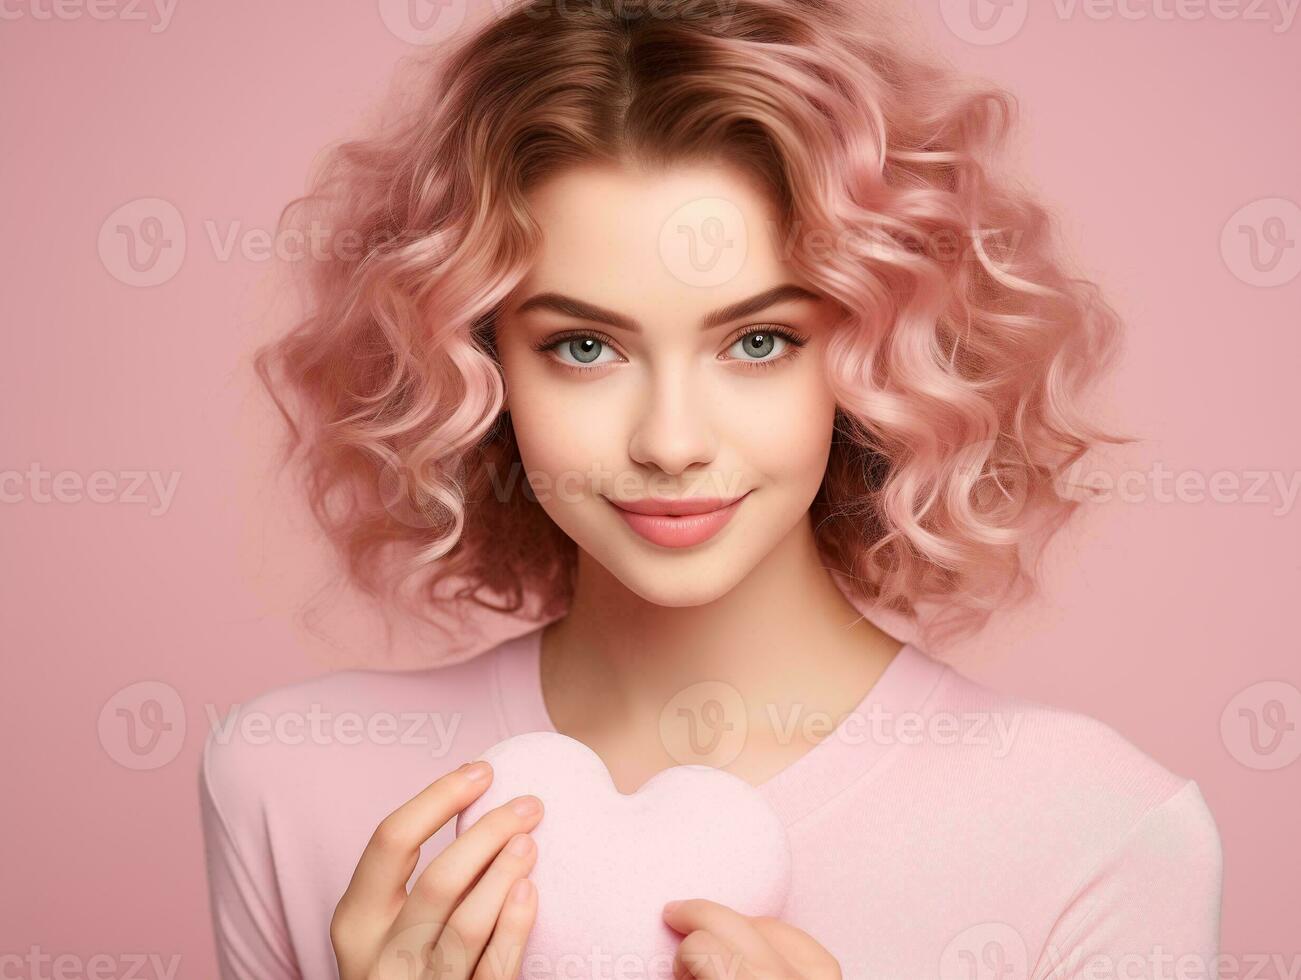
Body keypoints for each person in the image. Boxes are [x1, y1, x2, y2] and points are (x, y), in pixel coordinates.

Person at [199, 0, 1223, 976]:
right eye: (584, 345)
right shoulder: (293, 781)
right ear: (475, 360)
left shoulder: (1098, 832)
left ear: (873, 351)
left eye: (758, 340)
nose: (671, 440)